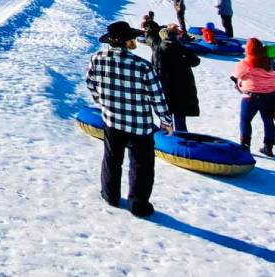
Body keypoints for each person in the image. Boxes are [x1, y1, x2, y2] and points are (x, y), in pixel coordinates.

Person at [86, 21, 174, 218]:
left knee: (112, 159)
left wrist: (103, 102)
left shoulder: (97, 58)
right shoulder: (142, 66)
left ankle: (110, 195)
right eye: (132, 38)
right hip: (139, 124)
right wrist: (166, 120)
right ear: (127, 42)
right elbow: (157, 96)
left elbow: (90, 84)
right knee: (141, 165)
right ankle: (138, 204)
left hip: (111, 120)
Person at [233, 38, 275, 156]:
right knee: (268, 120)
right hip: (270, 96)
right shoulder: (272, 64)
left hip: (251, 97)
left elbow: (235, 75)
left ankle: (245, 146)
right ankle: (268, 147)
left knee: (245, 120)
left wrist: (239, 83)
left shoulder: (246, 63)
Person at [152, 25, 201, 132]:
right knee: (180, 118)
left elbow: (155, 67)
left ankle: (165, 141)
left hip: (165, 86)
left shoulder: (158, 48)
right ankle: (181, 140)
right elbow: (195, 61)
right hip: (182, 86)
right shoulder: (181, 47)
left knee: (166, 118)